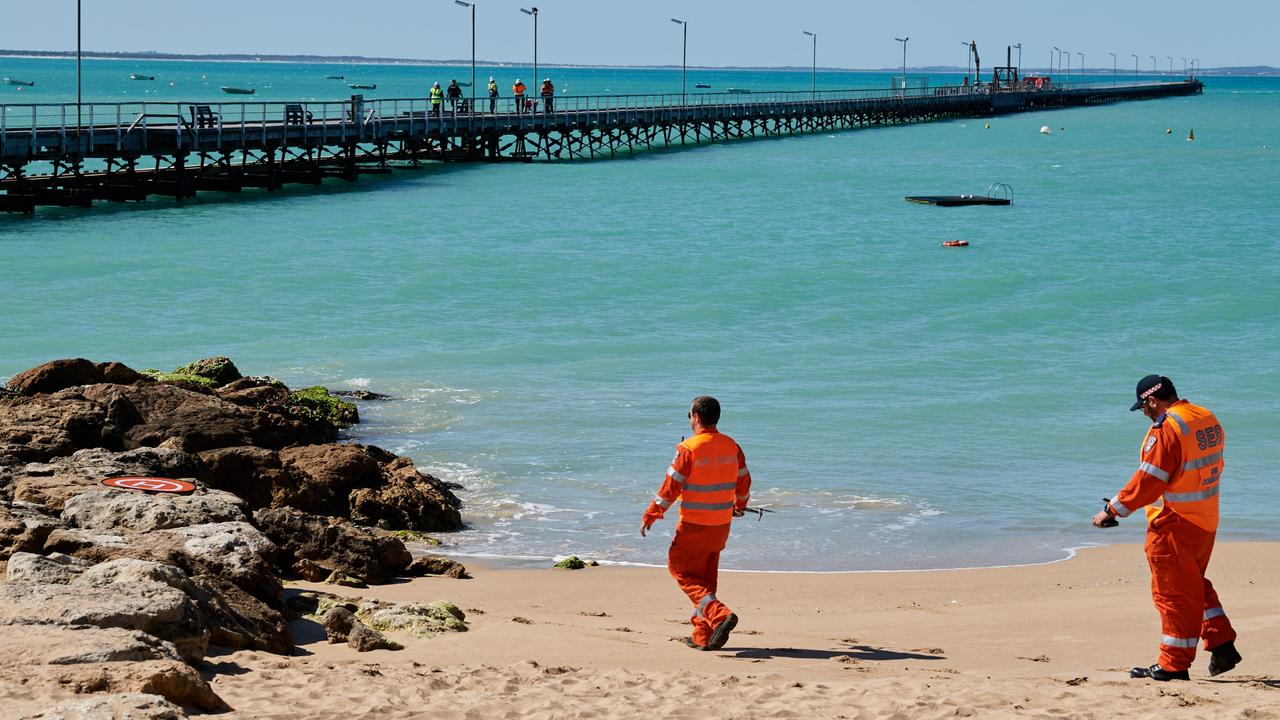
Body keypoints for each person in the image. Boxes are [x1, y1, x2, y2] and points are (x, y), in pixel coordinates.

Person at [1093, 375, 1241, 681]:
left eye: (1144, 408)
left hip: (1174, 521)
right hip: (1205, 517)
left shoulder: (1166, 428)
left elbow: (1149, 480)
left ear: (1151, 401)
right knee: (1192, 585)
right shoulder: (1203, 417)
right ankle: (1222, 643)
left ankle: (1173, 665)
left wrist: (1113, 509)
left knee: (1172, 594)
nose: (1144, 415)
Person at [641, 396, 752, 651]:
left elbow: (669, 489)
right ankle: (703, 635)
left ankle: (719, 614)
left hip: (694, 525)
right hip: (721, 526)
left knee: (679, 569)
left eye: (689, 415)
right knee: (705, 579)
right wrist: (740, 506)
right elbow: (744, 482)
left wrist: (651, 514)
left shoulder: (688, 449)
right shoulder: (732, 446)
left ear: (696, 417)